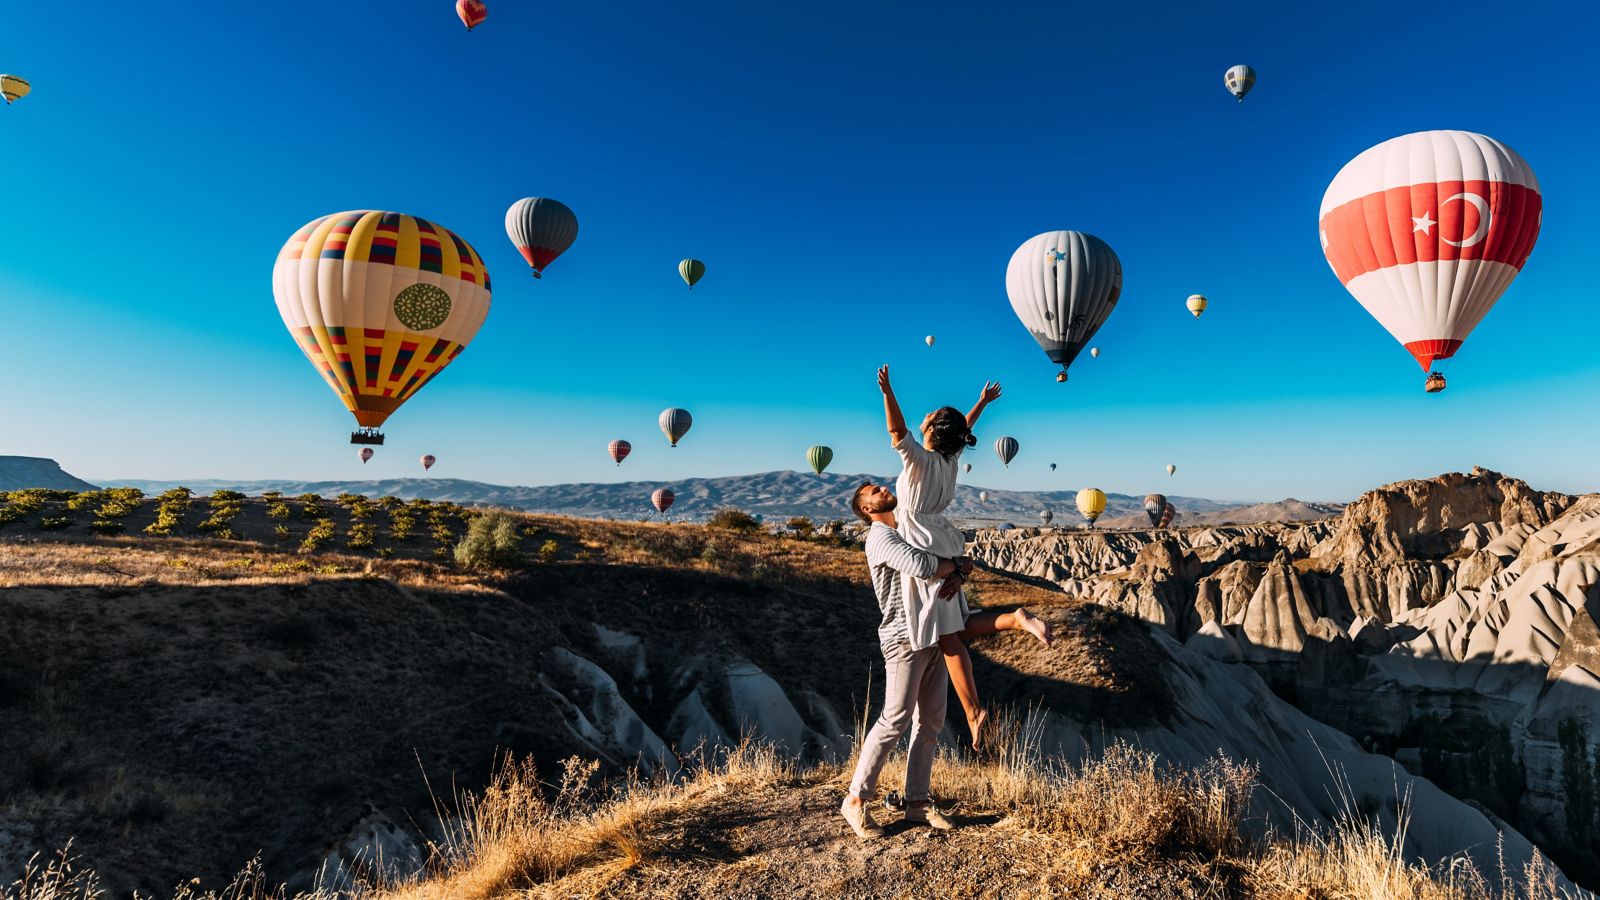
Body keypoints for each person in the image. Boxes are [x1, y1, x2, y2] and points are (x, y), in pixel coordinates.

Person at [876, 365, 1052, 750]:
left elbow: (895, 431)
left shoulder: (919, 460)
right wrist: (982, 404)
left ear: (932, 431)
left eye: (928, 418)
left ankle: (974, 713)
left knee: (947, 637)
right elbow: (961, 430)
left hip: (921, 544)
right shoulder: (950, 462)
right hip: (944, 541)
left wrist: (888, 393)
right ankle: (1014, 619)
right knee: (956, 627)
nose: (923, 418)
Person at [841, 480, 966, 839]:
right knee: (894, 719)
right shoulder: (880, 538)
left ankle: (916, 803)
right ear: (866, 509)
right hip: (902, 639)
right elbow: (922, 565)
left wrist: (956, 566)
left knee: (931, 720)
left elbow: (945, 557)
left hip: (932, 633)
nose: (882, 487)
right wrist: (956, 565)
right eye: (872, 491)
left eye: (880, 485)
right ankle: (855, 799)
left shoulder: (908, 531)